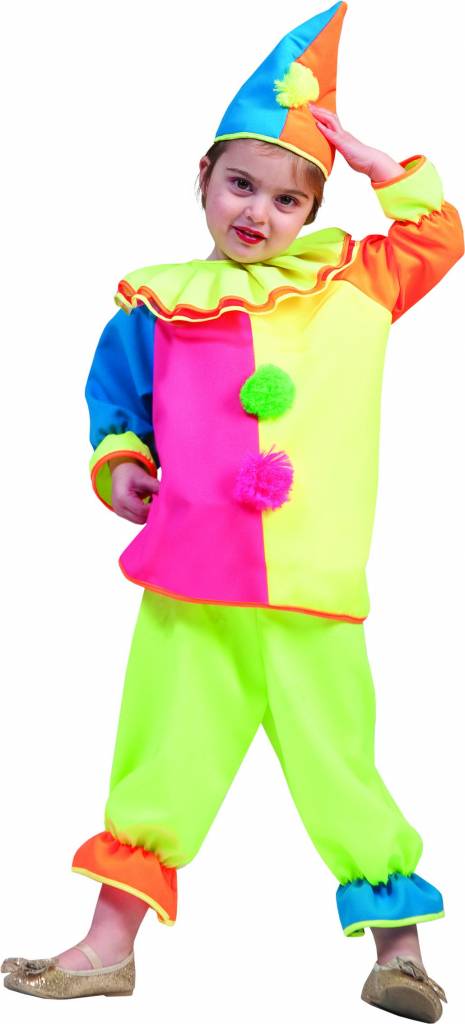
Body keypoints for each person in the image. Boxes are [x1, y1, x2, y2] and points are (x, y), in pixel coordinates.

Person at [2, 2, 463, 1016]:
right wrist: (120, 466)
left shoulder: (355, 281)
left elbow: (439, 236)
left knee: (342, 769)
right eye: (240, 184)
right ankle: (108, 947)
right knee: (158, 756)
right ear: (203, 180)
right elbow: (116, 405)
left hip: (312, 588)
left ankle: (400, 954)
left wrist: (382, 167)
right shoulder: (161, 304)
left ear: (313, 210)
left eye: (288, 198)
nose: (259, 211)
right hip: (191, 577)